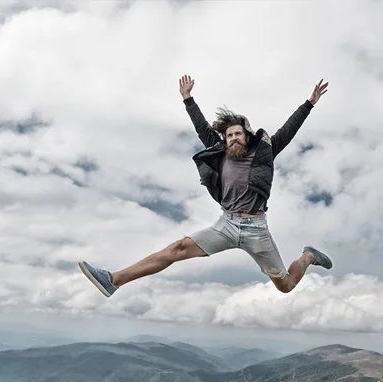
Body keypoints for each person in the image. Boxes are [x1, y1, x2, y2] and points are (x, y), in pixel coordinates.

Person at [78, 75, 333, 297]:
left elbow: (289, 129)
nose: (233, 138)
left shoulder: (264, 152)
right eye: (229, 135)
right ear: (225, 138)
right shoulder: (219, 152)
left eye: (238, 134)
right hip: (227, 225)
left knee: (285, 286)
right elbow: (201, 127)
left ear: (247, 136)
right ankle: (114, 280)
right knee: (177, 249)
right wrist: (187, 98)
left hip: (257, 229)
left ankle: (308, 257)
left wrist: (309, 103)